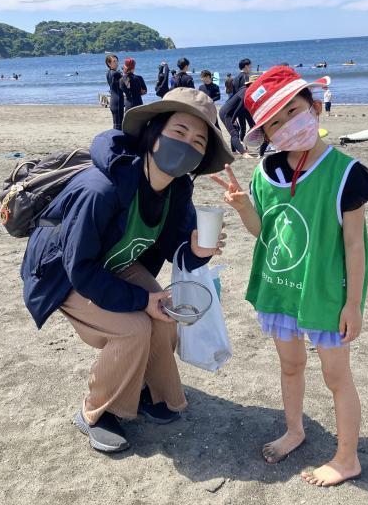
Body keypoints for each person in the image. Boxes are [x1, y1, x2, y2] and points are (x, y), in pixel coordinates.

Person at [21, 88, 233, 453]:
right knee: (133, 330)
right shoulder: (101, 189)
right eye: (178, 132)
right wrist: (139, 300)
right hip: (64, 274)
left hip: (115, 263)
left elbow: (177, 249)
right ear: (153, 134)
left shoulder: (177, 188)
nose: (187, 145)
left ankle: (153, 390)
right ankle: (96, 413)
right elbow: (80, 268)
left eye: (199, 141)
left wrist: (198, 252)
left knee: (166, 313)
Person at [210, 66, 368, 487]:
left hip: (324, 294)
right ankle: (295, 430)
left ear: (315, 108)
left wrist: (353, 304)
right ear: (265, 132)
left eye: (292, 112)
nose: (286, 125)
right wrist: (244, 206)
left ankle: (346, 457)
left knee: (337, 376)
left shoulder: (346, 173)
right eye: (274, 122)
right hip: (281, 289)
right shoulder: (267, 171)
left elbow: (355, 246)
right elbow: (265, 232)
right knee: (290, 365)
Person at [219, 76, 257, 156]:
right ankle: (243, 153)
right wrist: (233, 120)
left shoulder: (246, 90)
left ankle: (234, 151)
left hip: (229, 112)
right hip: (226, 113)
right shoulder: (245, 92)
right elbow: (239, 108)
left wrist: (252, 124)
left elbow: (244, 109)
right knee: (234, 133)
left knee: (237, 129)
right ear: (252, 84)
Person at [105, 53, 125, 130]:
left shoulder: (107, 73)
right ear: (109, 63)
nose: (116, 63)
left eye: (117, 61)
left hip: (113, 100)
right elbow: (126, 83)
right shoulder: (116, 73)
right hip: (118, 100)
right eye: (114, 62)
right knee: (119, 125)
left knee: (116, 124)